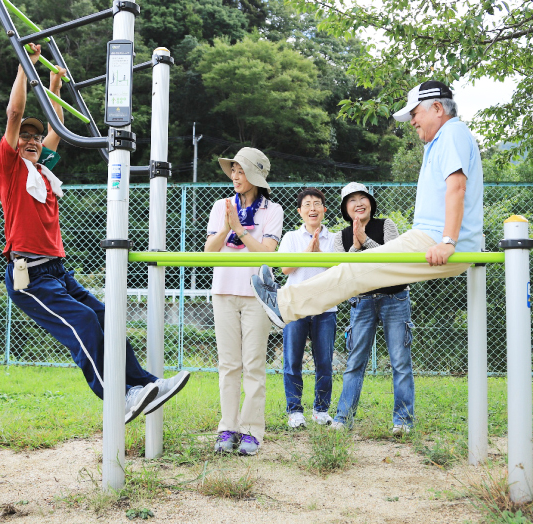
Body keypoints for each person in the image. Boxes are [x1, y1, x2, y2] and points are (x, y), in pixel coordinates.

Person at [0, 43, 189, 424]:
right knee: (83, 323)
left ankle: (144, 384)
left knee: (104, 316)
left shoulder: (42, 172)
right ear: (15, 145)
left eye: (35, 139)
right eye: (25, 138)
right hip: (29, 276)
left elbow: (55, 128)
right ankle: (118, 397)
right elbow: (15, 113)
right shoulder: (11, 169)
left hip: (56, 271)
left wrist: (53, 83)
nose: (32, 141)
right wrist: (26, 65)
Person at [252, 79, 483, 359]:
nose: (412, 122)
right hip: (434, 236)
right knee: (354, 269)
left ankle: (284, 305)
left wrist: (448, 241)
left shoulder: (452, 133)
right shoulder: (439, 141)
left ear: (436, 108)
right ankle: (285, 304)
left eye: (414, 114)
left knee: (354, 268)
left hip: (437, 239)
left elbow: (457, 187)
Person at [204, 148, 283, 456]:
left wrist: (240, 230)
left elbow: (267, 253)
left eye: (241, 171)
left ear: (255, 176)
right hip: (223, 291)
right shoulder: (220, 206)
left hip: (256, 295)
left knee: (253, 365)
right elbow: (210, 251)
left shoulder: (272, 210)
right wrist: (227, 226)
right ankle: (227, 428)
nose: (235, 176)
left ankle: (251, 431)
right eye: (233, 170)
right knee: (228, 364)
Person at [328, 183, 414, 435]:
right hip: (362, 301)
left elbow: (393, 258)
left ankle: (403, 421)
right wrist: (355, 247)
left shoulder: (386, 225)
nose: (358, 203)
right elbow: (341, 272)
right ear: (345, 208)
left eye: (362, 197)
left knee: (400, 362)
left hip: (394, 298)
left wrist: (366, 240)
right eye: (351, 199)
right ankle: (343, 418)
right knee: (355, 362)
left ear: (371, 203)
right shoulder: (339, 237)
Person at [276, 188, 336, 428]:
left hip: (325, 308)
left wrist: (320, 254)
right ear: (299, 211)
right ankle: (294, 411)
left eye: (317, 204)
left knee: (325, 362)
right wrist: (307, 253)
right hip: (296, 307)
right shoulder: (291, 237)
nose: (313, 208)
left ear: (324, 210)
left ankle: (321, 410)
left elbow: (338, 273)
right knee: (292, 361)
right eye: (308, 204)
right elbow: (285, 269)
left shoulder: (334, 239)